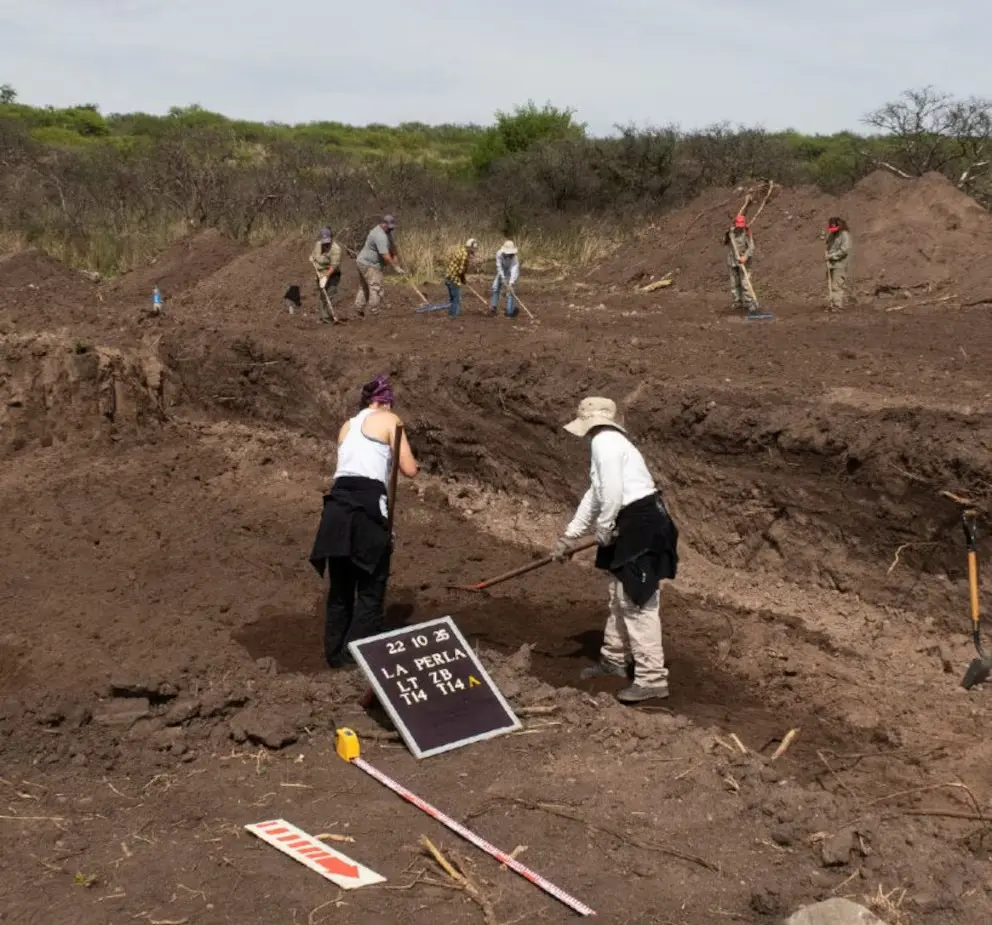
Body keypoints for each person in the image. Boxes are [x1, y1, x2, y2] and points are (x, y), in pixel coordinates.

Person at [552, 397, 679, 704]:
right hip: (632, 520)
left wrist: (605, 527)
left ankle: (651, 679)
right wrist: (570, 536)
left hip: (640, 522)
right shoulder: (608, 442)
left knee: (637, 599)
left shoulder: (605, 443)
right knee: (619, 593)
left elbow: (612, 494)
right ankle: (614, 657)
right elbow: (595, 494)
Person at [309, 375, 418, 668]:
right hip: (366, 509)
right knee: (371, 590)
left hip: (336, 508)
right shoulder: (390, 421)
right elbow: (409, 469)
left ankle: (335, 656)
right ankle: (353, 660)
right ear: (384, 402)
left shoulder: (347, 426)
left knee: (341, 589)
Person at [355, 215, 407, 317]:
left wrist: (398, 264)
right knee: (375, 287)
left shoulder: (387, 233)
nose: (391, 229)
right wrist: (395, 268)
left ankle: (358, 309)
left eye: (392, 227)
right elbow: (386, 256)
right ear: (383, 224)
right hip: (369, 264)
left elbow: (393, 249)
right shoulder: (380, 236)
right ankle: (374, 312)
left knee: (364, 286)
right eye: (389, 227)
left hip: (363, 261)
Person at [310, 227, 342, 324]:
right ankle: (324, 317)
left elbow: (334, 266)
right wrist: (312, 258)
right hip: (320, 274)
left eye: (328, 241)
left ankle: (328, 318)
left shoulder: (336, 249)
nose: (326, 244)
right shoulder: (318, 245)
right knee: (323, 295)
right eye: (324, 241)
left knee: (330, 294)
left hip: (332, 275)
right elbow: (314, 256)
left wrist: (326, 277)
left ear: (331, 238)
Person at [725, 214, 755, 313]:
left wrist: (745, 257)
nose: (740, 227)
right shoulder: (731, 232)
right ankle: (737, 302)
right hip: (733, 259)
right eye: (738, 225)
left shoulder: (747, 232)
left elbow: (751, 247)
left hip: (744, 260)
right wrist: (727, 234)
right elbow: (725, 242)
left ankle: (749, 303)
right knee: (734, 282)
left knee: (745, 282)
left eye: (741, 225)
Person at [442, 237, 479, 318]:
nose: (474, 251)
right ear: (470, 247)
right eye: (474, 249)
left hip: (448, 276)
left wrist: (463, 279)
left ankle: (451, 315)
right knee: (457, 299)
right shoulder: (465, 256)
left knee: (453, 299)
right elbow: (460, 271)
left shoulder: (461, 250)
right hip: (454, 278)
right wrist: (463, 279)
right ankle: (454, 316)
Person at [825, 217, 852, 311]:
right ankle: (832, 304)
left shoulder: (844, 234)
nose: (833, 230)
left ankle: (837, 306)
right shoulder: (832, 234)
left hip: (840, 264)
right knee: (830, 285)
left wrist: (832, 255)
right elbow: (828, 244)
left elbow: (845, 250)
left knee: (837, 285)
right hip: (831, 264)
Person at [490, 240, 520, 318]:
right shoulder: (499, 254)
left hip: (510, 273)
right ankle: (494, 306)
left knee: (510, 291)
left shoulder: (515, 259)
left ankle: (510, 312)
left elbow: (514, 271)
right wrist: (502, 277)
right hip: (502, 270)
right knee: (495, 287)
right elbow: (499, 266)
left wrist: (511, 283)